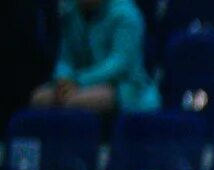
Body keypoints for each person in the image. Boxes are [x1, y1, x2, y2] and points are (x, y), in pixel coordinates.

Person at [29, 0, 157, 116]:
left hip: (124, 86)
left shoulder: (125, 13)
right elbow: (64, 58)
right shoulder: (70, 11)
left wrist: (78, 81)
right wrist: (63, 78)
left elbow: (120, 64)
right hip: (75, 83)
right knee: (40, 98)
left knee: (77, 102)